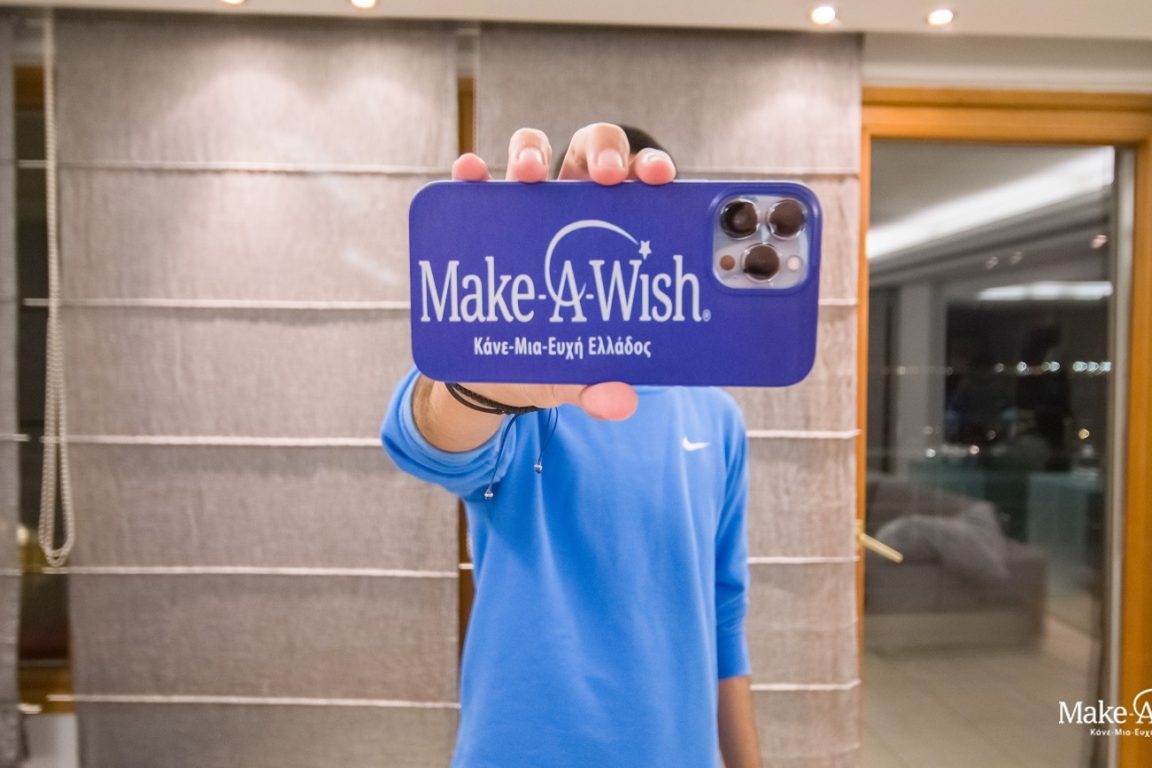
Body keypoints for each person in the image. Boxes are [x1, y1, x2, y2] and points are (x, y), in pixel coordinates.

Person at [382, 123, 762, 768]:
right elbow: (426, 441)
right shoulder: (527, 398)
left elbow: (724, 611)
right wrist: (478, 380)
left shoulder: (719, 417)